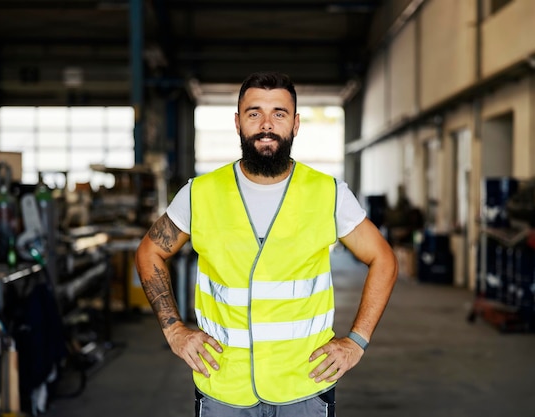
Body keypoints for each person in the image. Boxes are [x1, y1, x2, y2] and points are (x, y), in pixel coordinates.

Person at [135, 71, 398, 416]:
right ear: (237, 122)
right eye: (254, 113)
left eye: (279, 113)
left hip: (304, 384)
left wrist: (357, 341)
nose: (266, 124)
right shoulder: (200, 194)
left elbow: (384, 259)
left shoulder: (328, 194)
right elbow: (149, 251)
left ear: (296, 123)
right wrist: (174, 330)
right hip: (223, 384)